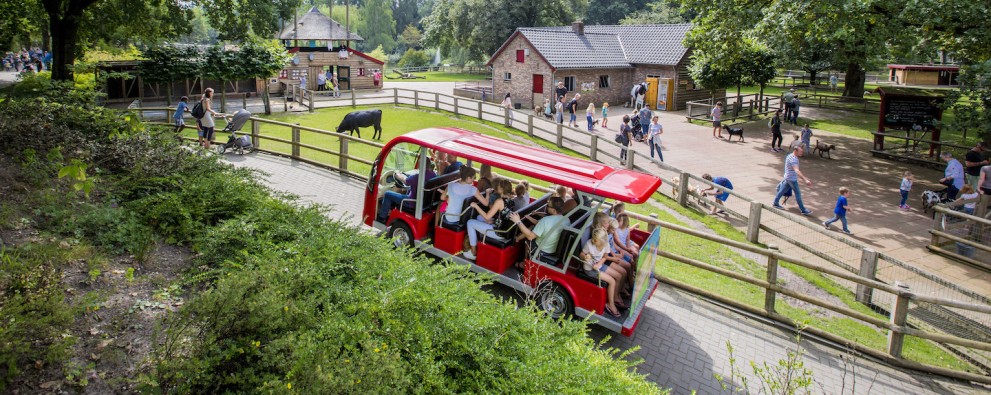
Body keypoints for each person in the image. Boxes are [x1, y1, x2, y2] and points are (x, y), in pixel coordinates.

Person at [464, 179, 515, 260]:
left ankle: (473, 252)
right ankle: (478, 243)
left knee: (470, 222)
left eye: (499, 185)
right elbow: (504, 216)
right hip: (504, 229)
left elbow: (487, 216)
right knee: (479, 218)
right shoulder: (511, 200)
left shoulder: (499, 201)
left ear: (501, 189)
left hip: (498, 232)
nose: (497, 186)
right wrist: (494, 220)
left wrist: (476, 206)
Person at [511, 196, 568, 264]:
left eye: (548, 205)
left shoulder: (545, 221)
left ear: (554, 210)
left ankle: (525, 263)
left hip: (541, 251)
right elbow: (544, 223)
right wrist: (535, 214)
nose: (546, 206)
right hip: (553, 250)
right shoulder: (566, 220)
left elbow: (530, 236)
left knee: (528, 240)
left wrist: (518, 221)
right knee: (533, 227)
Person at [772, 144, 813, 215]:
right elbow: (797, 170)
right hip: (791, 179)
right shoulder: (793, 159)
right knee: (798, 194)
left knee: (782, 190)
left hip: (788, 177)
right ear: (795, 151)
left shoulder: (790, 155)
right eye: (800, 151)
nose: (802, 153)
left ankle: (775, 203)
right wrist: (805, 180)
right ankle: (803, 210)